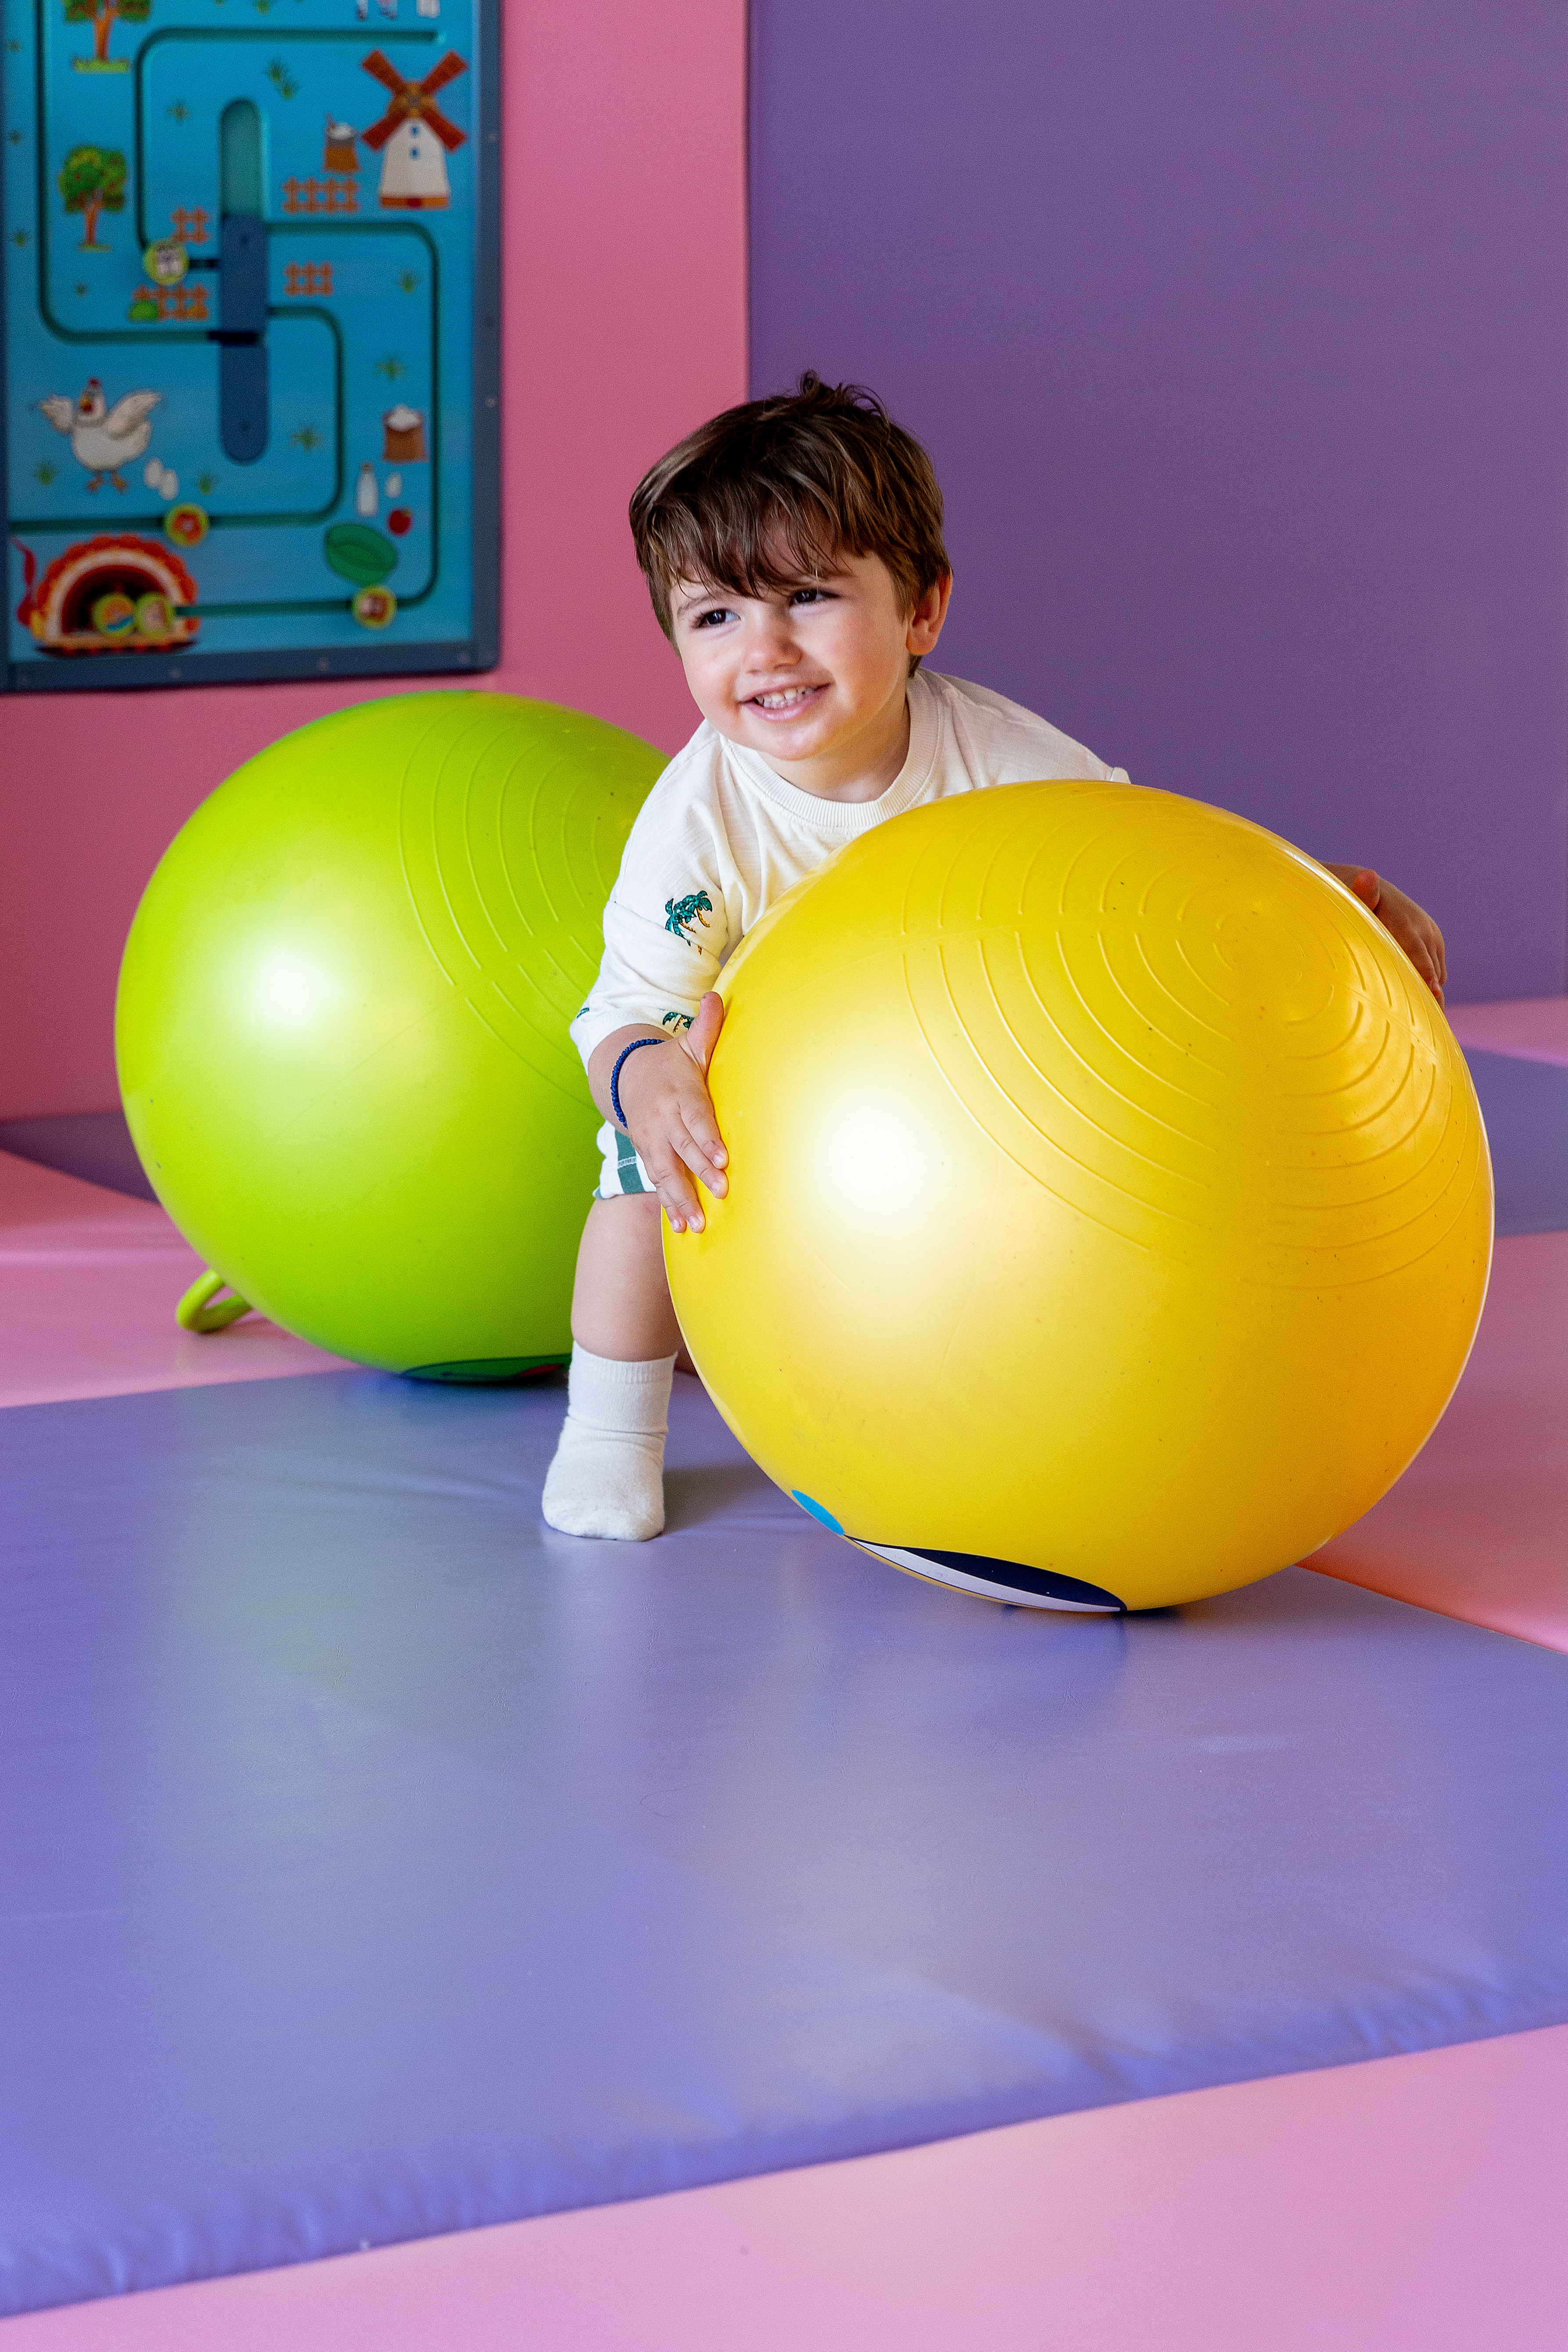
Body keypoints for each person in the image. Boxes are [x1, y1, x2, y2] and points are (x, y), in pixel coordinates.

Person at [542, 374, 1447, 1542]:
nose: (762, 650)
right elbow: (620, 1011)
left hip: (966, 1082)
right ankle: (611, 1427)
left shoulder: (1000, 754)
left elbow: (1150, 871)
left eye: (809, 598)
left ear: (921, 612)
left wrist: (1326, 902)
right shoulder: (699, 823)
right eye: (714, 617)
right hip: (760, 1102)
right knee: (635, 1196)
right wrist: (645, 1079)